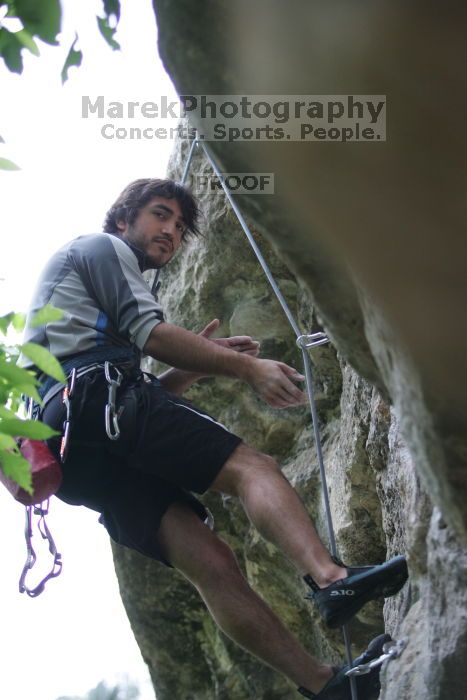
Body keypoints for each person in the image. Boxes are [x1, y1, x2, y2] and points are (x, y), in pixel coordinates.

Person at [21, 178, 408, 699]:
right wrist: (247, 367)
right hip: (97, 402)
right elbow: (152, 337)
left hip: (74, 452)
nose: (170, 233)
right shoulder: (102, 248)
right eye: (160, 215)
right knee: (252, 469)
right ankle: (330, 579)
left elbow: (121, 408)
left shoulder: (75, 300)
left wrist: (193, 371)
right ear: (121, 220)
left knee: (211, 563)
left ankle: (324, 686)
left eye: (179, 228)